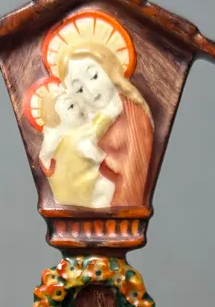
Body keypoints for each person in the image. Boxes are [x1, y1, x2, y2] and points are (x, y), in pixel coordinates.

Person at [57, 41, 154, 205]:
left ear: (109, 69)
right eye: (79, 89)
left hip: (121, 201)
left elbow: (135, 173)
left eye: (94, 76)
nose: (91, 92)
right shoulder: (87, 122)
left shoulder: (132, 113)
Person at [37, 90, 115, 208]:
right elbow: (100, 125)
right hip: (90, 199)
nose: (79, 108)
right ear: (57, 120)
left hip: (62, 200)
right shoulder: (76, 137)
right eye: (71, 106)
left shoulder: (57, 143)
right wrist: (113, 109)